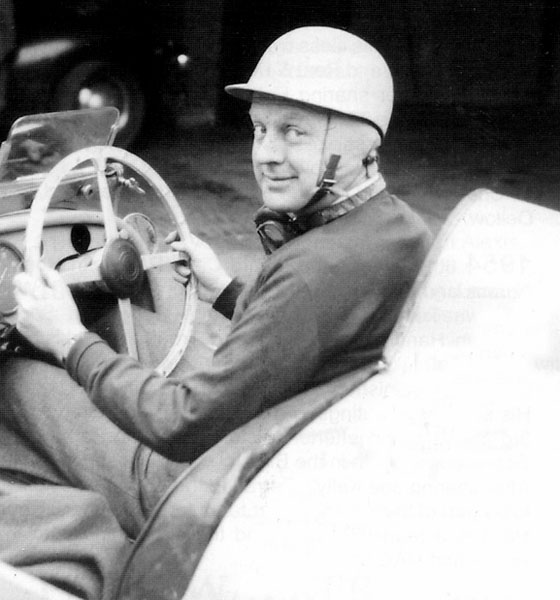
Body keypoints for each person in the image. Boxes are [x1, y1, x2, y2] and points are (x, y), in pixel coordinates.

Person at [0, 26, 432, 599]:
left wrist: (68, 341)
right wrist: (225, 290)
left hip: (209, 488)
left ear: (359, 143)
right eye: (260, 129)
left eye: (294, 132)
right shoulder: (399, 230)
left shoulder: (312, 268)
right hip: (287, 458)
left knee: (16, 379)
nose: (267, 154)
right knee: (132, 337)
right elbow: (310, 329)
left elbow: (180, 424)